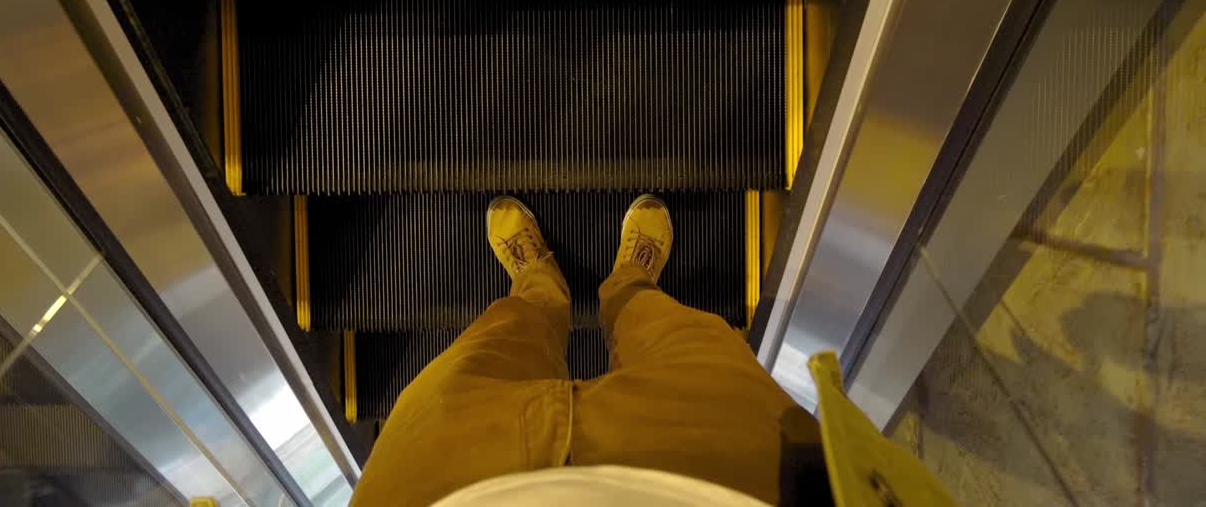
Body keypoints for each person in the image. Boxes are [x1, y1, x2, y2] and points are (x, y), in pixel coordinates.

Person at [350, 195, 953, 506]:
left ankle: (542, 284)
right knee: (674, 330)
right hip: (739, 472)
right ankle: (628, 284)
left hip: (433, 484)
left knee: (501, 332)